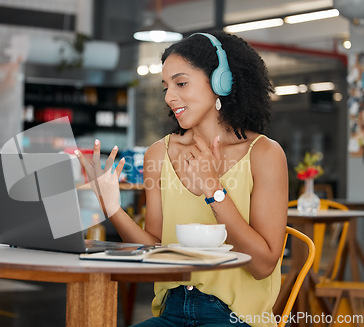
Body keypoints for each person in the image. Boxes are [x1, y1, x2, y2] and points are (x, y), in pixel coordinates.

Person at [75, 30, 288, 327]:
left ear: (220, 81)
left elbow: (263, 265)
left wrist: (214, 191)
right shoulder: (158, 154)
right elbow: (155, 252)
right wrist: (113, 208)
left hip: (236, 318)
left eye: (181, 83)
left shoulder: (265, 154)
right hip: (171, 311)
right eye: (165, 86)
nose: (169, 96)